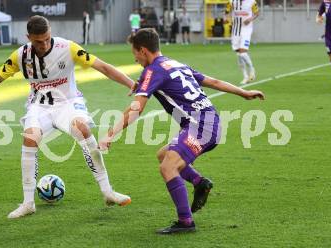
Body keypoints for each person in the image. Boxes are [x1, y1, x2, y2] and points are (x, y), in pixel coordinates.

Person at [0, 15, 135, 219]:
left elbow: (103, 67)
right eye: (38, 41)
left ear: (50, 32)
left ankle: (107, 191)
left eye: (47, 39)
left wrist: (131, 83)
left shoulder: (68, 48)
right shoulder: (20, 56)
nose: (44, 44)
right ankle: (28, 203)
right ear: (28, 37)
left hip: (68, 103)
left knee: (82, 128)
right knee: (30, 137)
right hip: (39, 106)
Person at [99, 28, 265, 234]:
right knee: (163, 155)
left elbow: (136, 109)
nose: (134, 59)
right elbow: (212, 81)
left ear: (142, 50)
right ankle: (199, 182)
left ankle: (186, 222)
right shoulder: (173, 63)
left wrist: (110, 133)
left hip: (201, 126)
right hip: (209, 122)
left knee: (167, 167)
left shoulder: (153, 71)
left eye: (134, 53)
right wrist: (243, 93)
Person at [225, 0, 259, 84]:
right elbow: (226, 12)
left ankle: (252, 70)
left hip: (246, 29)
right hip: (235, 30)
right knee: (238, 54)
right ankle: (245, 76)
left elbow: (257, 13)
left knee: (243, 52)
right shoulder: (231, 2)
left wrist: (250, 19)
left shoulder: (252, 2)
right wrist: (225, 19)